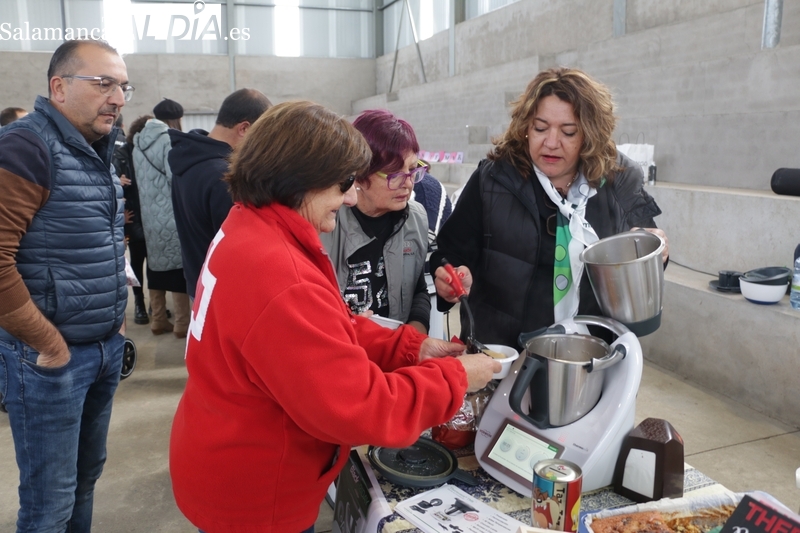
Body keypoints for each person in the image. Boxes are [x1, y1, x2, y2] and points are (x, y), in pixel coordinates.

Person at [169, 100, 499, 532]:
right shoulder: (278, 272)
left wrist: (412, 347)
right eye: (342, 183)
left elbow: (322, 327)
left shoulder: (249, 225)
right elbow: (362, 408)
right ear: (299, 181)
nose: (347, 197)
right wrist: (455, 378)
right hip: (256, 493)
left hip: (228, 448)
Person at [431, 67, 670, 348]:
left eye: (569, 132)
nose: (551, 143)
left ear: (590, 135)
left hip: (591, 354)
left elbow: (645, 252)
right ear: (525, 128)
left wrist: (657, 252)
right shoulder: (494, 179)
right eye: (540, 128)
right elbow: (450, 253)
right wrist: (450, 278)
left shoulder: (620, 178)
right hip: (503, 355)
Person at [0, 38, 130, 531]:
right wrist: (49, 344)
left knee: (85, 476)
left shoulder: (97, 149)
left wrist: (114, 318)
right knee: (50, 499)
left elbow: (96, 240)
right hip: (49, 360)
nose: (117, 97)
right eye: (103, 84)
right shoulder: (26, 147)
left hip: (100, 349)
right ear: (58, 87)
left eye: (122, 86)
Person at [321, 109, 431, 334]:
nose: (408, 183)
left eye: (412, 170)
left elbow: (418, 289)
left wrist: (413, 336)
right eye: (394, 175)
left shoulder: (415, 219)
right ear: (360, 174)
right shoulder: (326, 222)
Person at [168, 88, 272, 299]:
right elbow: (241, 250)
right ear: (244, 128)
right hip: (222, 292)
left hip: (198, 281)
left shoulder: (188, 158)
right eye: (261, 136)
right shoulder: (224, 175)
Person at [133, 98, 191, 337]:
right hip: (170, 214)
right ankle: (181, 324)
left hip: (149, 217)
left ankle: (158, 320)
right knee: (177, 269)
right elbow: (173, 178)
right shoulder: (169, 139)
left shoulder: (138, 142)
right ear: (176, 118)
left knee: (156, 268)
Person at [113, 114, 152, 324]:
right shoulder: (123, 154)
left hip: (152, 216)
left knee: (154, 264)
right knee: (137, 262)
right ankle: (139, 303)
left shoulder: (151, 153)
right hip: (134, 216)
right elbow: (112, 184)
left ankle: (156, 304)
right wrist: (122, 215)